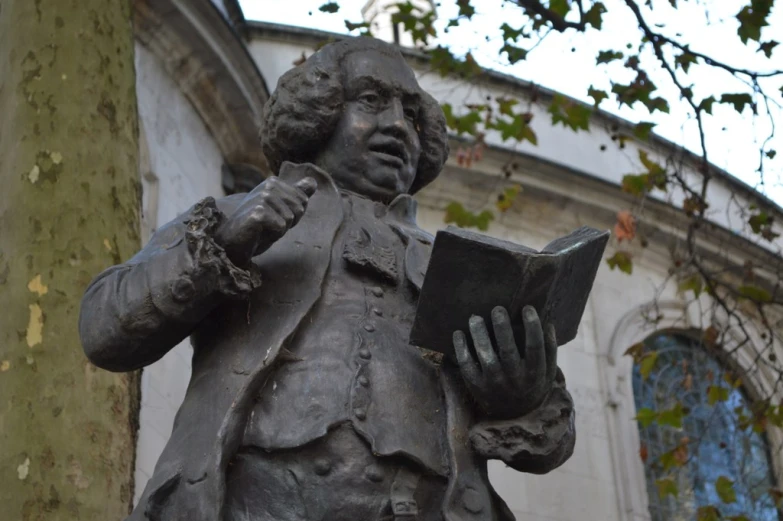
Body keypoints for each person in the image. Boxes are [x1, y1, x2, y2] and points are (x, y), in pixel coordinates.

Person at [79, 37, 575, 521]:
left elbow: (550, 444)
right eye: (373, 100)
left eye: (412, 113)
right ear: (318, 111)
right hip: (254, 502)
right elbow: (106, 328)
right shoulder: (237, 221)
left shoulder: (461, 267)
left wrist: (521, 397)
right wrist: (225, 243)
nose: (399, 126)